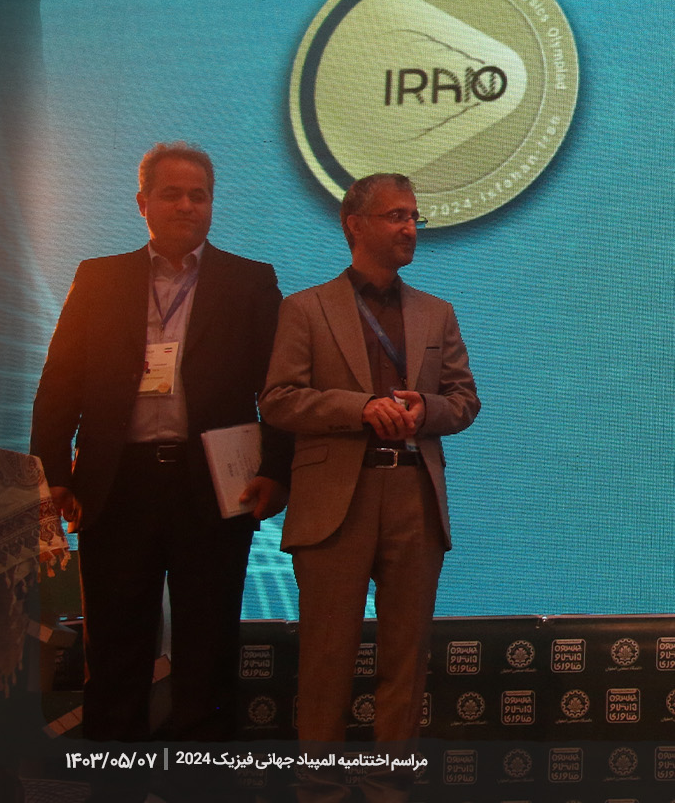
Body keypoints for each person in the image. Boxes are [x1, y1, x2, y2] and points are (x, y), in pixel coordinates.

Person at [29, 143, 290, 761]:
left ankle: (201, 776)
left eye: (199, 195)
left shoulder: (249, 281)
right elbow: (61, 379)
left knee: (208, 644)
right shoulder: (99, 278)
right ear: (142, 203)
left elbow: (279, 387)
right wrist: (53, 474)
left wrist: (277, 470)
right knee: (114, 646)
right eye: (171, 194)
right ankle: (112, 774)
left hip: (214, 484)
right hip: (116, 483)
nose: (186, 206)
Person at [261, 173, 479, 803]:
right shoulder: (305, 308)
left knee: (405, 659)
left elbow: (465, 401)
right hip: (337, 497)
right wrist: (358, 408)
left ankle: (391, 788)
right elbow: (278, 400)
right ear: (353, 225)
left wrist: (425, 410)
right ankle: (319, 788)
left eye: (414, 216)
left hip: (414, 494)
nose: (410, 227)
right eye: (395, 216)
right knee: (326, 656)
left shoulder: (437, 312)